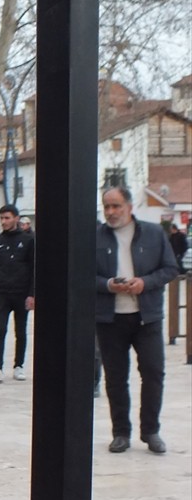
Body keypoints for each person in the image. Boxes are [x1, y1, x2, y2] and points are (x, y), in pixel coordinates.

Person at [96, 186, 178, 454]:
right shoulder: (95, 237)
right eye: (107, 206)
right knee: (116, 378)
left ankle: (151, 431)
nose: (111, 212)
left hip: (147, 317)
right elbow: (82, 275)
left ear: (130, 207)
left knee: (153, 373)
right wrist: (109, 284)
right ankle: (121, 432)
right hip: (110, 319)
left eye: (116, 205)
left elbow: (169, 269)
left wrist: (145, 282)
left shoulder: (154, 233)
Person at [0, 204, 35, 383]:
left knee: (20, 331)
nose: (4, 222)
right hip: (1, 293)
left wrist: (32, 294)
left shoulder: (28, 240)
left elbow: (33, 269)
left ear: (16, 218)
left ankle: (18, 366)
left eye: (7, 218)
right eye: (2, 218)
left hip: (21, 293)